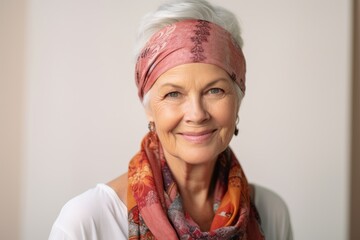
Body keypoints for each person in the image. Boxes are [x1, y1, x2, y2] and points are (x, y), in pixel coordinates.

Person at [49, 0, 293, 239]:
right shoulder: (88, 222)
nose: (197, 114)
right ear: (149, 108)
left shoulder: (271, 212)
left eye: (214, 90)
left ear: (238, 98)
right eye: (173, 93)